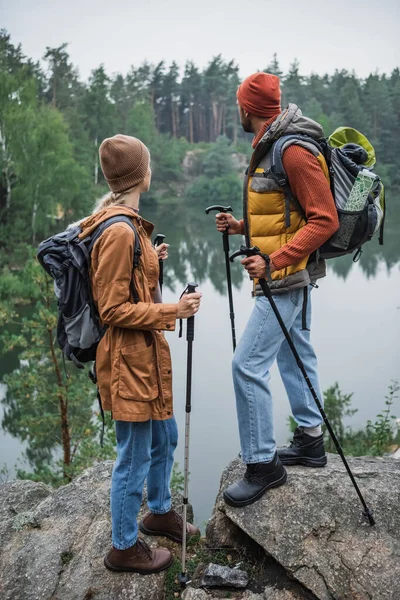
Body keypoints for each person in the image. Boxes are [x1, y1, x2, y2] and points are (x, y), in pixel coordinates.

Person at [79, 134, 201, 574]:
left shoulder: (130, 228)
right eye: (148, 164)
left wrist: (151, 259)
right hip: (128, 362)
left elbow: (128, 285)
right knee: (133, 455)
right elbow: (112, 308)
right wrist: (175, 310)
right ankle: (124, 547)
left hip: (145, 358)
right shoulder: (116, 231)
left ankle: (160, 512)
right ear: (140, 174)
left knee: (164, 437)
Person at [215, 73, 339, 508]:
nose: (238, 111)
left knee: (246, 366)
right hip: (284, 275)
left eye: (239, 105)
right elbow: (284, 215)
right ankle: (309, 440)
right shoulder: (274, 144)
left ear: (247, 109)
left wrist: (272, 262)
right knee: (295, 352)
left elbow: (324, 220)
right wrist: (241, 227)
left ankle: (262, 464)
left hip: (285, 280)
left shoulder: (292, 149)